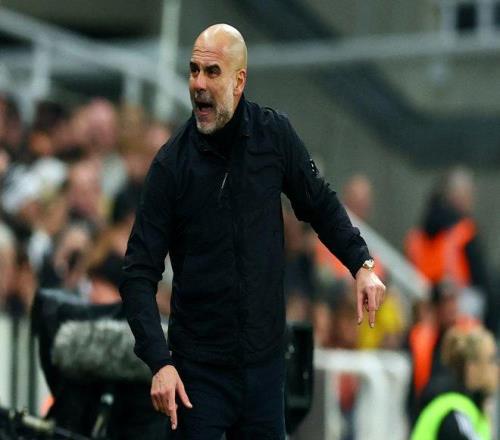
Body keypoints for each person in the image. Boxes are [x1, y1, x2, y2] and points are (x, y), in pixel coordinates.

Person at [119, 24, 386, 439]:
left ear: (239, 81)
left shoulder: (273, 135)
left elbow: (318, 202)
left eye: (212, 72)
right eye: (193, 70)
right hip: (198, 375)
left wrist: (361, 264)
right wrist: (160, 362)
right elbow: (138, 272)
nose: (198, 84)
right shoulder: (171, 165)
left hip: (264, 369)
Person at [411, 325, 498, 439]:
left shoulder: (471, 409)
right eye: (492, 360)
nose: (497, 368)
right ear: (472, 367)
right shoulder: (455, 414)